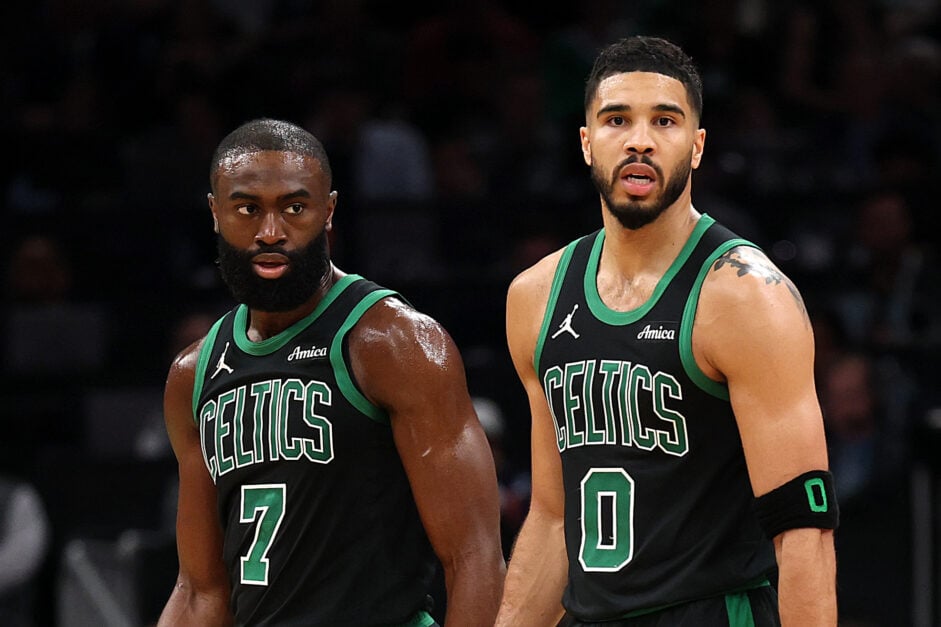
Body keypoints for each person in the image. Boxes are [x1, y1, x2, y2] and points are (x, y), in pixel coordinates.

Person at [495, 37, 838, 626]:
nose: (640, 140)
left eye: (664, 120)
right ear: (586, 142)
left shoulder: (746, 295)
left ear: (697, 146)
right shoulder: (535, 296)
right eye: (616, 120)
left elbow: (804, 529)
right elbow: (553, 519)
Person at [158, 118, 505, 626]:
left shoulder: (392, 343)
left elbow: (475, 558)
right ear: (215, 213)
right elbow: (199, 591)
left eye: (294, 208)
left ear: (329, 211)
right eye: (248, 209)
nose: (271, 232)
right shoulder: (193, 374)